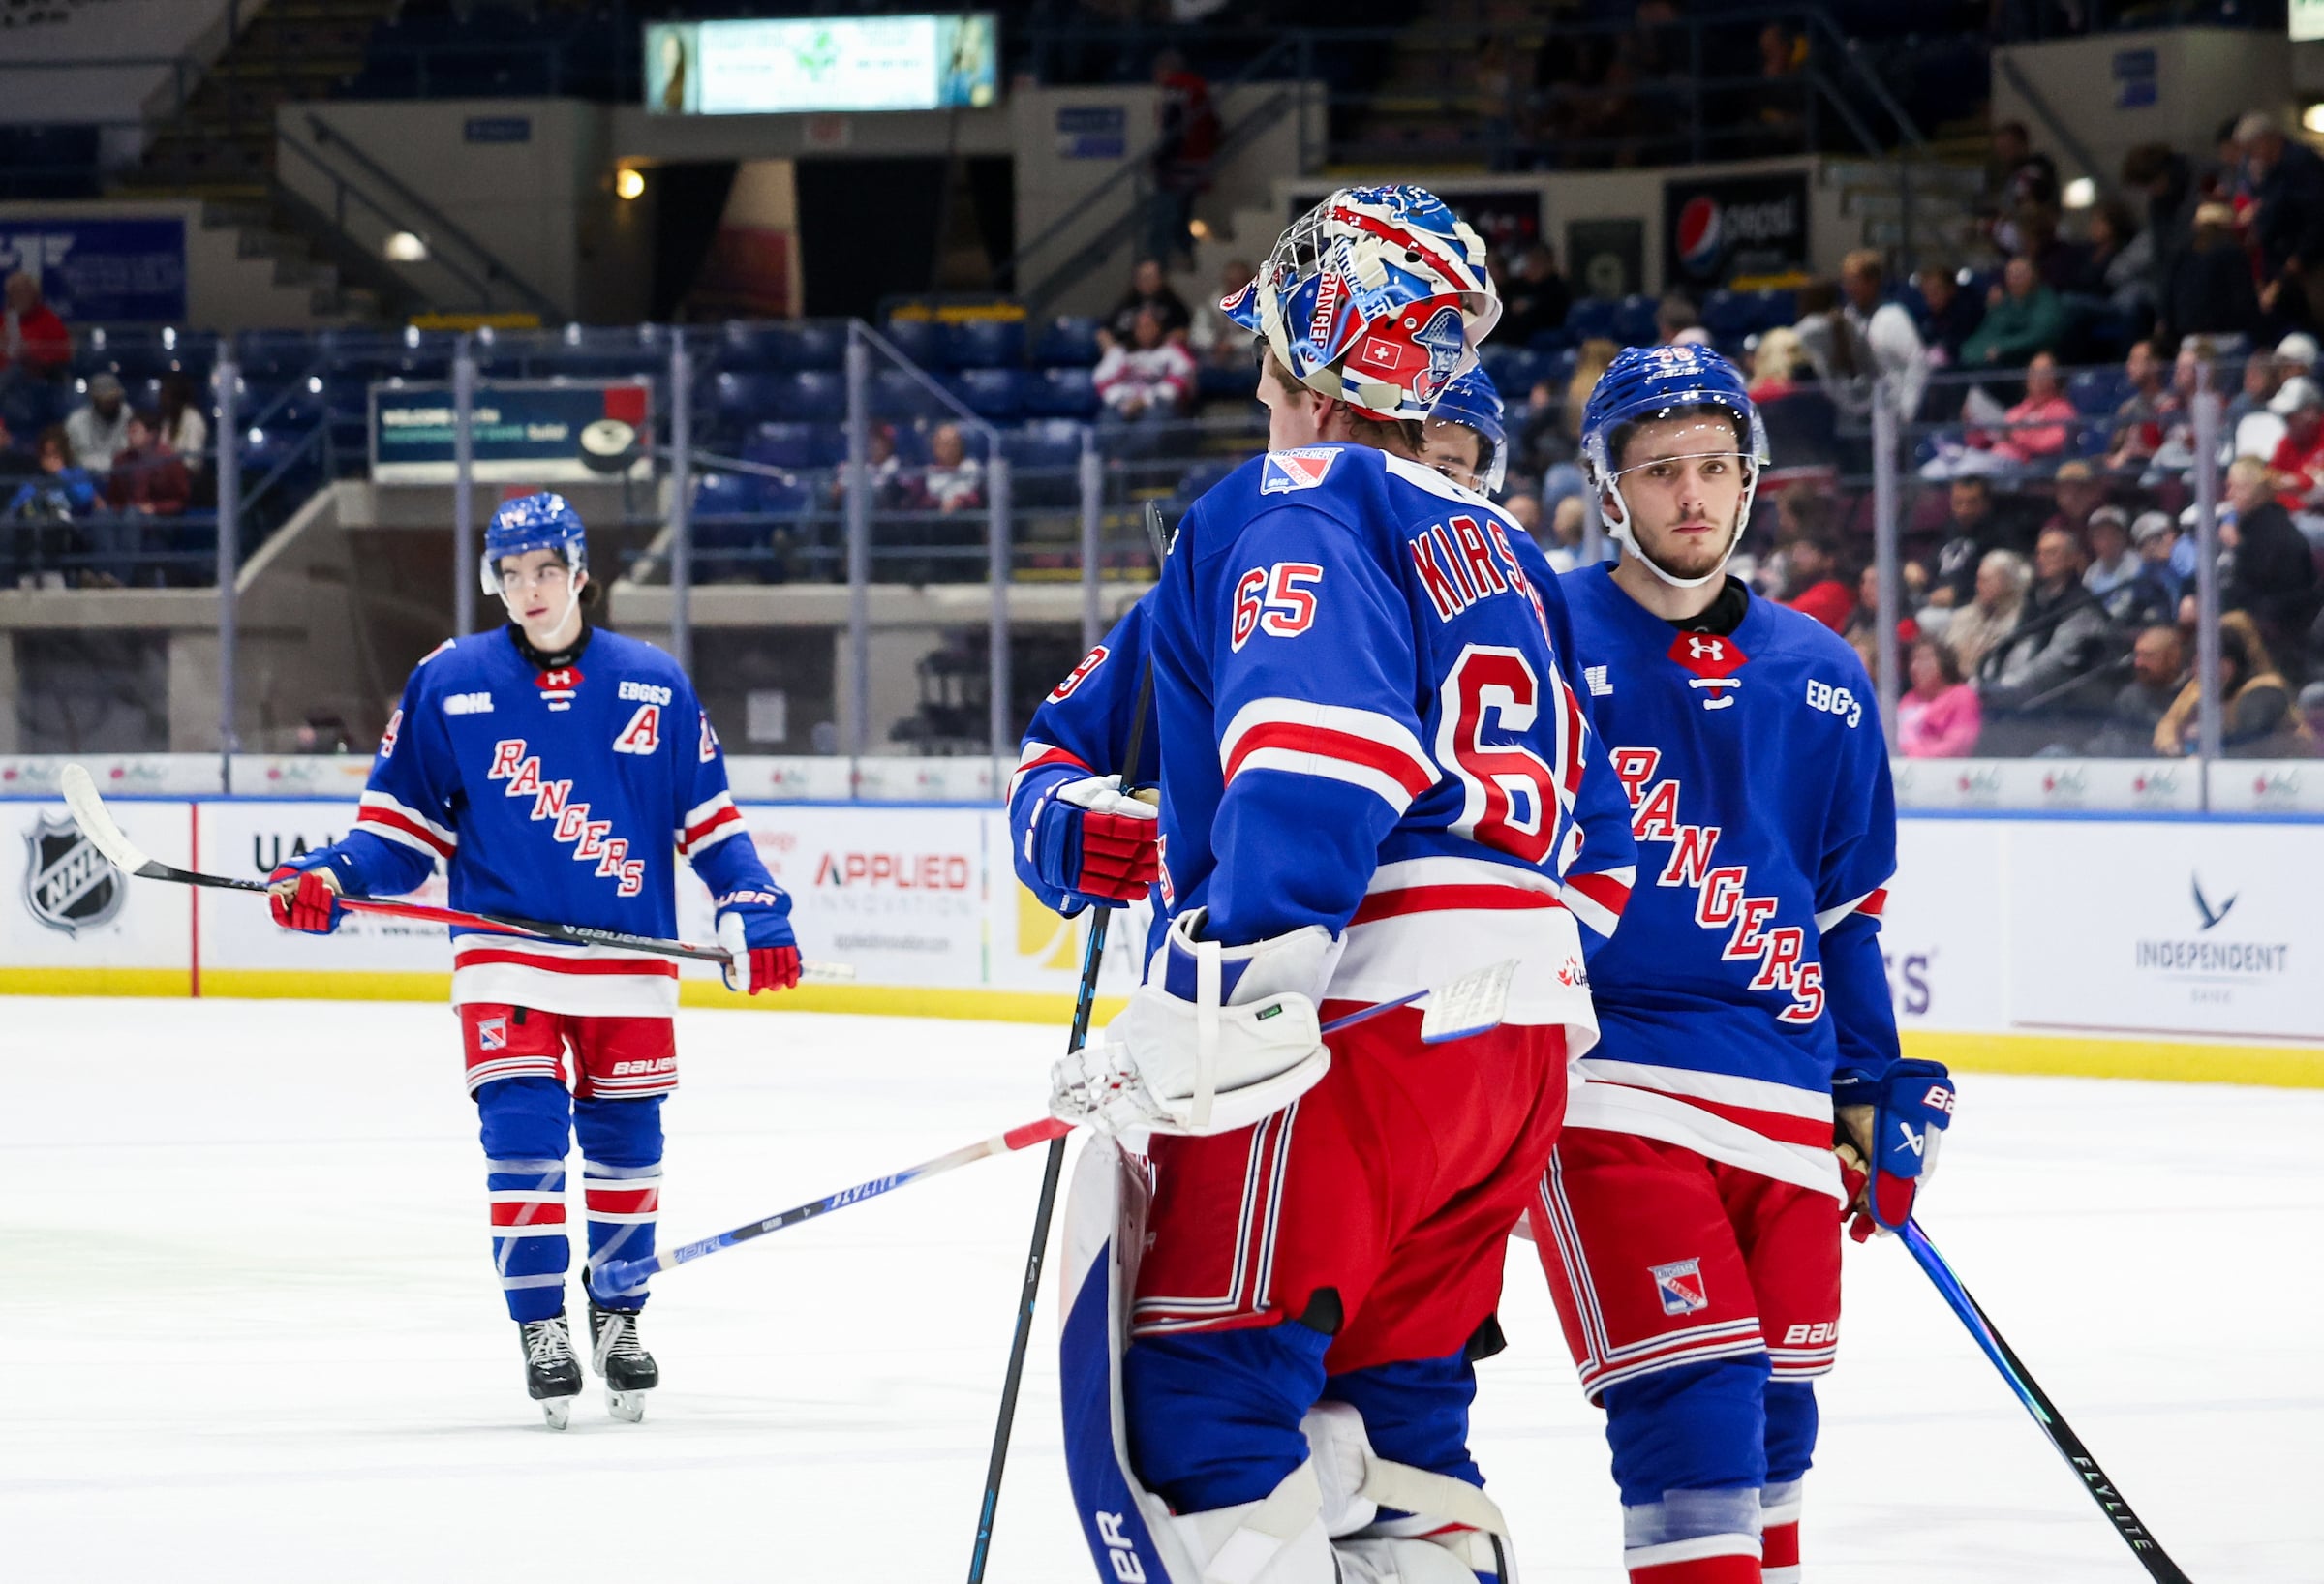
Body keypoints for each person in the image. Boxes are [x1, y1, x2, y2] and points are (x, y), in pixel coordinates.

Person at [1051, 183, 1614, 1584]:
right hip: (1513, 1054)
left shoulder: (1292, 503)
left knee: (1203, 1419)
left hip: (1348, 1037)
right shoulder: (1513, 558)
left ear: (1320, 341)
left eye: (1271, 351)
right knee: (1407, 1425)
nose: (1255, 383)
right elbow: (1590, 849)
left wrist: (1225, 989)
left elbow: (1316, 769)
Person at [263, 492, 804, 1429]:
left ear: (581, 572)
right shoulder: (449, 681)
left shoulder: (654, 682)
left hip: (629, 962)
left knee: (628, 1151)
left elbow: (712, 824)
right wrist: (333, 875)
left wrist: (755, 904)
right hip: (505, 956)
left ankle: (620, 1313)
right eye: (510, 574)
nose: (529, 590)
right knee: (521, 1141)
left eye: (546, 570)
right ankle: (542, 1325)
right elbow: (397, 831)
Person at [1541, 340, 1945, 1584]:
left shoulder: (1820, 671)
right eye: (1660, 468)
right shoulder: (1543, 630)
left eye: (1715, 463)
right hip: (1611, 1082)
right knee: (1693, 1411)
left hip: (1780, 1092)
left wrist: (1873, 1084)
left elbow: (1843, 916)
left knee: (1776, 1431)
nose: (1692, 494)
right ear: (1610, 486)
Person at [1976, 525, 2118, 746]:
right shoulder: (2036, 600)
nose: (2042, 559)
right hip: (2021, 696)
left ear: (2073, 559)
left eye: (2052, 552)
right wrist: (1988, 676)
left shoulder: (2082, 606)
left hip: (2063, 704)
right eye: (2040, 553)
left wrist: (2009, 684)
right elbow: (2014, 643)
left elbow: (2056, 660)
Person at [2154, 610, 2313, 757]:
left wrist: (2203, 737)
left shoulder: (2266, 689)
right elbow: (2169, 722)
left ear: (2229, 664)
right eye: (2196, 663)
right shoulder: (2197, 687)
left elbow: (2252, 737)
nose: (2197, 671)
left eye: (2204, 662)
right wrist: (2172, 746)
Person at [2221, 454, 2322, 649]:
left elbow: (2264, 595)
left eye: (2232, 487)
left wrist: (2238, 549)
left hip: (2277, 639)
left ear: (2250, 490)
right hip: (2260, 623)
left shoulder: (2273, 535)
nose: (2228, 495)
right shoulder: (2253, 529)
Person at [2238, 112, 2324, 333]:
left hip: (2309, 259)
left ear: (2267, 140)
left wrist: (2300, 258)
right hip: (2280, 258)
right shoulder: (2267, 170)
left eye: (2252, 148)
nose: (2251, 156)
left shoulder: (2301, 163)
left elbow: (2315, 216)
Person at [1840, 248, 1927, 418]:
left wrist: (1908, 407)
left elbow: (1918, 362)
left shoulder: (1892, 316)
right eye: (1846, 281)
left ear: (1872, 282)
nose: (1849, 288)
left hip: (1895, 408)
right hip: (1860, 408)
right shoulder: (1847, 317)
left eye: (1854, 281)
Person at [1094, 305, 1197, 448]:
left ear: (1159, 328)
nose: (1145, 331)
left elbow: (1180, 381)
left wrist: (1144, 400)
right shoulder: (1120, 352)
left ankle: (1127, 464)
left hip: (1160, 407)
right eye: (1140, 326)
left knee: (1150, 429)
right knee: (1107, 424)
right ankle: (1116, 465)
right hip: (1124, 405)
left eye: (1149, 326)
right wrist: (1125, 400)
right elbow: (1102, 380)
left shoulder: (1172, 351)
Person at [2160, 203, 2262, 346]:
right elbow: (2245, 302)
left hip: (2190, 342)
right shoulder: (2233, 253)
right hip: (2230, 339)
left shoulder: (2182, 255)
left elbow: (2167, 303)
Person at [2092, 624, 2186, 754]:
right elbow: (2114, 743)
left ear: (2172, 657)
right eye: (2137, 655)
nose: (2138, 663)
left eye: (2147, 656)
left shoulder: (2192, 693)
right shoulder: (2131, 696)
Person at [1940, 547, 2032, 676]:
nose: (1978, 586)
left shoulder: (2021, 619)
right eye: (1979, 579)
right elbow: (1948, 657)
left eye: (1986, 580)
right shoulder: (1963, 616)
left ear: (2008, 583)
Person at [1960, 256, 2063, 370]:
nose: (2014, 279)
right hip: (1992, 363)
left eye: (2019, 274)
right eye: (2010, 274)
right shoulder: (2004, 302)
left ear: (2034, 275)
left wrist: (2002, 348)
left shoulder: (2046, 300)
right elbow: (1985, 335)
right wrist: (1975, 353)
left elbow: (2040, 335)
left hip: (2027, 361)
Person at [1898, 636, 1981, 756]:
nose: (1914, 667)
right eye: (1913, 661)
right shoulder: (1909, 700)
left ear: (1944, 663)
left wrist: (1919, 755)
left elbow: (1959, 745)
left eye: (1923, 659)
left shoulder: (1962, 696)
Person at [2104, 340, 2176, 473]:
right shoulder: (2128, 408)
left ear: (2155, 365)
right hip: (2127, 475)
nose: (2128, 366)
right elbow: (2115, 449)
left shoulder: (2171, 405)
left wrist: (2138, 452)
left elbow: (2173, 453)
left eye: (2135, 360)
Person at [0, 271, 70, 394]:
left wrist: (30, 354)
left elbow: (62, 357)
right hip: (9, 390)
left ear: (34, 295)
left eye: (23, 292)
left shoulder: (49, 320)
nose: (19, 297)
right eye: (14, 293)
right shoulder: (3, 320)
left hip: (41, 384)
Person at [1105, 258, 1192, 349]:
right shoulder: (1127, 303)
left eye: (1150, 277)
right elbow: (1106, 329)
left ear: (1160, 279)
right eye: (1142, 277)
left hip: (1159, 352)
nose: (1146, 281)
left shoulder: (1172, 304)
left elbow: (1185, 329)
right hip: (1124, 353)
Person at [1497, 242, 1573, 347]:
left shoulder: (1557, 289)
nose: (1531, 267)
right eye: (1530, 262)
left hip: (1542, 344)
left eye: (1537, 262)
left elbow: (1552, 316)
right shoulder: (1517, 287)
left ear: (1548, 264)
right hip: (1509, 344)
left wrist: (1529, 308)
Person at [65, 372, 132, 472]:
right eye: (106, 401)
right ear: (94, 400)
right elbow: (73, 459)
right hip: (87, 478)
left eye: (114, 399)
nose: (112, 404)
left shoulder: (128, 415)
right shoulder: (76, 422)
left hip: (121, 475)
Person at [918, 421, 984, 512]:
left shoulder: (972, 468)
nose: (949, 449)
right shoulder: (927, 472)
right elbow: (921, 503)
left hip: (966, 521)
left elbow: (978, 498)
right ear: (935, 448)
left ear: (961, 445)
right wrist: (939, 504)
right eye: (944, 444)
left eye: (954, 444)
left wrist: (959, 502)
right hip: (935, 521)